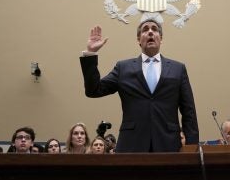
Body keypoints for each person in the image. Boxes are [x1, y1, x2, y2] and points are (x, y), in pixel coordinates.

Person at [79, 20, 199, 153]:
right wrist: (90, 53)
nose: (150, 32)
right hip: (131, 143)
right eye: (145, 29)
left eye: (154, 29)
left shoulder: (178, 69)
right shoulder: (123, 68)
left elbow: (189, 111)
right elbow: (94, 90)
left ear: (161, 38)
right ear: (138, 39)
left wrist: (192, 146)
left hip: (168, 143)